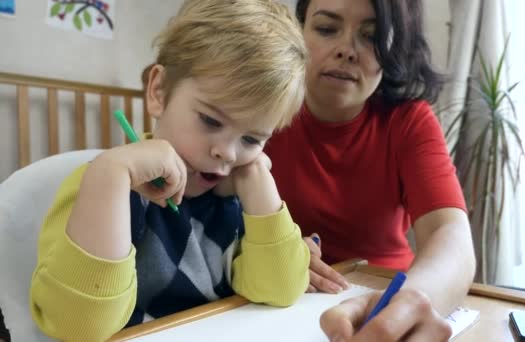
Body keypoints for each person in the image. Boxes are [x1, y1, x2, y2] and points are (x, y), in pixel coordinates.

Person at [30, 0, 310, 340]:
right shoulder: (103, 187)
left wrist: (256, 178)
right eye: (210, 120)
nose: (227, 151)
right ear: (158, 91)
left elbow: (280, 291)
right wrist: (109, 176)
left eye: (251, 138)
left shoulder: (235, 197)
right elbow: (78, 326)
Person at [264, 0, 476, 340]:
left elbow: (450, 236)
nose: (347, 50)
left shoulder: (409, 121)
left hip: (381, 297)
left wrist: (407, 305)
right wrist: (271, 253)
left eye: (372, 36)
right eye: (326, 29)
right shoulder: (262, 109)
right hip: (273, 302)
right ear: (297, 32)